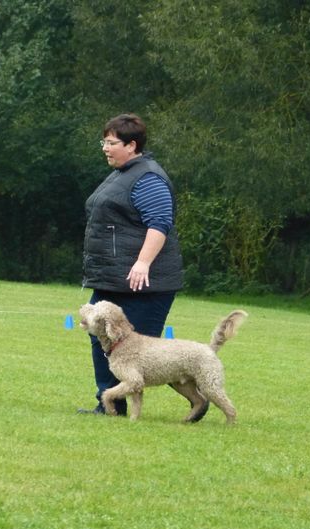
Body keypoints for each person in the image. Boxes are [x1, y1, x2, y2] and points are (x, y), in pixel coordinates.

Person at [78, 113, 183, 416]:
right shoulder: (120, 174)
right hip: (112, 278)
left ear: (132, 145)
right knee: (100, 338)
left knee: (135, 350)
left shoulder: (148, 178)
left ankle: (197, 400)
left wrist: (143, 262)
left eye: (111, 143)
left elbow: (159, 223)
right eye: (104, 142)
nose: (105, 148)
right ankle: (109, 404)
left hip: (143, 283)